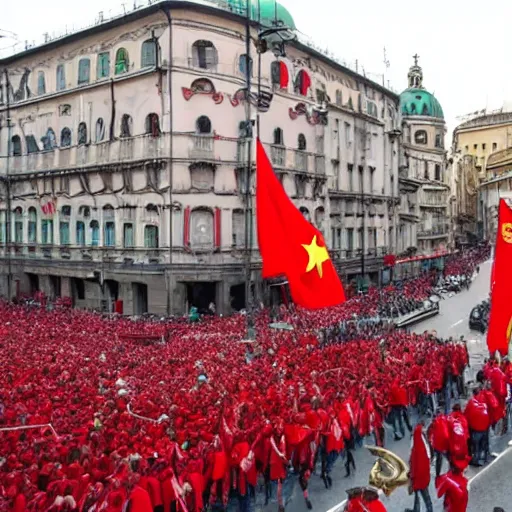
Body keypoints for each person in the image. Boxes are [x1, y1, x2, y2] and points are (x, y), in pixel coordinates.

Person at [406, 423, 433, 512]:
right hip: (424, 476)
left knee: (423, 495)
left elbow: (414, 465)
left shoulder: (416, 451)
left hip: (418, 478)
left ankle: (428, 510)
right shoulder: (423, 446)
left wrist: (411, 475)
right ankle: (417, 509)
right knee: (420, 494)